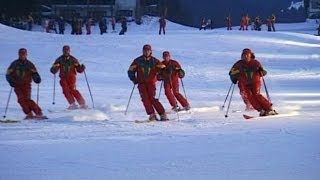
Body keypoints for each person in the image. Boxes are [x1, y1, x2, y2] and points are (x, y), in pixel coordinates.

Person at [229, 48, 277, 116]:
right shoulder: (238, 64)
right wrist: (233, 78)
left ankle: (269, 108)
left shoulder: (255, 62)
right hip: (245, 84)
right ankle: (260, 110)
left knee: (257, 95)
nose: (245, 57)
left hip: (255, 82)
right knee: (250, 96)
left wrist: (262, 72)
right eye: (243, 55)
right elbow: (231, 72)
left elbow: (262, 71)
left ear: (250, 55)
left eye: (247, 55)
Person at [127, 44, 168, 121]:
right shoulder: (138, 60)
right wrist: (133, 78)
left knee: (152, 98)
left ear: (151, 51)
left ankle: (162, 114)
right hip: (141, 83)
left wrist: (161, 76)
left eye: (148, 50)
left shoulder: (154, 61)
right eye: (145, 50)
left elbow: (164, 69)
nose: (146, 52)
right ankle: (152, 115)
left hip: (151, 83)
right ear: (142, 51)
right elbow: (130, 70)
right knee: (145, 99)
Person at [6, 48, 47, 120]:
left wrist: (36, 78)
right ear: (18, 54)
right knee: (20, 100)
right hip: (17, 85)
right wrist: (11, 81)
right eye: (21, 54)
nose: (22, 56)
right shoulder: (14, 64)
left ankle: (38, 113)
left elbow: (34, 73)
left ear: (26, 55)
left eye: (24, 54)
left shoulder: (29, 64)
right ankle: (29, 113)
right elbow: (8, 74)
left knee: (27, 99)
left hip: (26, 85)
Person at [50, 45, 87, 109]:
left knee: (72, 90)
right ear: (62, 51)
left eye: (67, 51)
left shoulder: (73, 59)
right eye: (64, 51)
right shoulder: (59, 59)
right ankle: (72, 104)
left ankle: (82, 104)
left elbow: (79, 70)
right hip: (63, 77)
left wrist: (82, 68)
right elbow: (53, 70)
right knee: (65, 90)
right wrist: (55, 68)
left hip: (71, 77)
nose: (66, 52)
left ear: (69, 51)